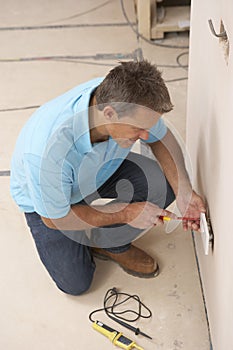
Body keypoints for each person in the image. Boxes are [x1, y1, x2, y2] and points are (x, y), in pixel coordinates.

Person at [10, 60, 205, 295]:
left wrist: (183, 190)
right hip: (50, 202)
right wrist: (127, 213)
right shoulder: (46, 153)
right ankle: (92, 234)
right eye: (139, 129)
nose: (146, 135)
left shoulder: (122, 101)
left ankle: (110, 243)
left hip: (98, 171)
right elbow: (55, 219)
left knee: (165, 185)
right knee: (75, 283)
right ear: (110, 114)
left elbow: (160, 137)